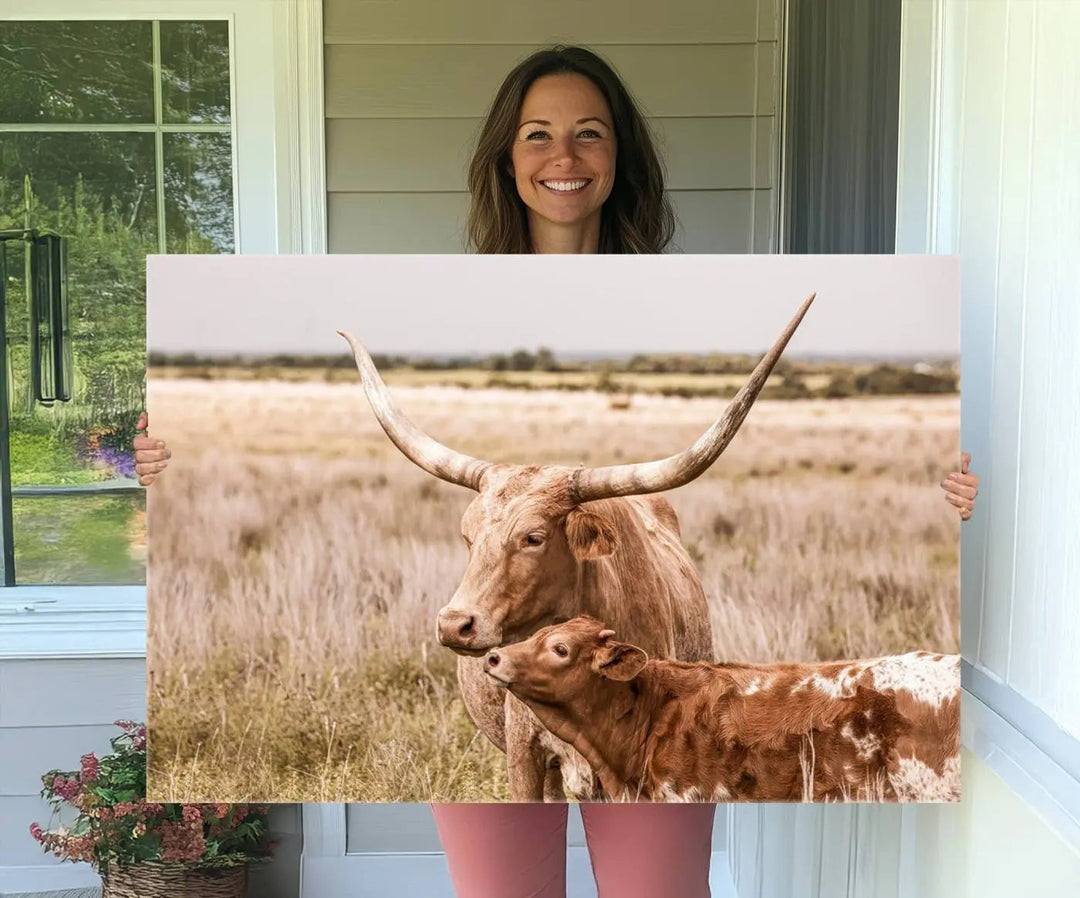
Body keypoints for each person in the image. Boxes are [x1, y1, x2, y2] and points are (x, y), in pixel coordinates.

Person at [135, 45, 979, 898]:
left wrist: (949, 491)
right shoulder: (442, 303)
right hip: (519, 651)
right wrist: (164, 463)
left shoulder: (691, 300)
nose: (563, 157)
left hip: (646, 696)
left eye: (589, 134)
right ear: (507, 157)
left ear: (620, 158)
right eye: (537, 135)